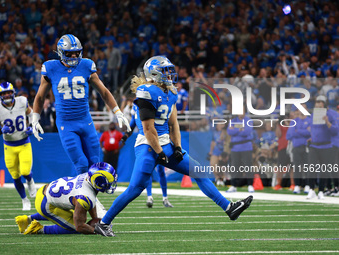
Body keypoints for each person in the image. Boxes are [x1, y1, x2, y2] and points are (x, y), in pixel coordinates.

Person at [94, 56, 253, 237]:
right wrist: (160, 153)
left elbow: (174, 123)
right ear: (154, 74)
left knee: (198, 171)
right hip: (147, 145)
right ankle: (104, 223)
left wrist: (177, 147)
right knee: (135, 189)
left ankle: (229, 208)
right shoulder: (145, 91)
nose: (170, 74)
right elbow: (148, 129)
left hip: (165, 143)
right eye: (165, 71)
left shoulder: (171, 92)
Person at [31, 34, 131, 175]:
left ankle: (91, 196)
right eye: (69, 53)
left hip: (85, 121)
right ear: (61, 53)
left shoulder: (86, 65)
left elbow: (104, 92)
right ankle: (84, 196)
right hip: (66, 123)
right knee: (82, 164)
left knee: (95, 163)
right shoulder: (51, 68)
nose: (73, 56)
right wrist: (35, 118)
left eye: (76, 52)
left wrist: (118, 112)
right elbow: (40, 97)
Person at [15, 162, 117, 235]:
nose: (111, 184)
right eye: (109, 181)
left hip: (45, 190)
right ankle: (38, 229)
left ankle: (27, 219)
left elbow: (92, 200)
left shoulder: (87, 176)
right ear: (98, 182)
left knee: (69, 215)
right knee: (73, 227)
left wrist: (95, 219)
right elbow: (79, 226)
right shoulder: (85, 197)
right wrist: (95, 230)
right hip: (45, 204)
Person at [121, 104, 173, 208]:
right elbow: (132, 124)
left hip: (158, 140)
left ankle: (165, 198)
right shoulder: (136, 106)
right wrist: (126, 135)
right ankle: (149, 197)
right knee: (147, 171)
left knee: (161, 171)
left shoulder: (150, 102)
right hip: (145, 143)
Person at [0, 82, 36, 211]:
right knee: (15, 175)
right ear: (0, 95)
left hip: (24, 142)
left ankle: (30, 181)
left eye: (9, 92)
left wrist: (32, 126)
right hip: (9, 146)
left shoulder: (22, 101)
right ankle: (24, 200)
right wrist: (0, 129)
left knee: (25, 171)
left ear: (13, 92)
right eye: (4, 93)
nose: (7, 95)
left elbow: (31, 113)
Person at [307, 95, 339, 199]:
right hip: (314, 145)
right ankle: (311, 189)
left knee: (324, 169)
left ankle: (321, 190)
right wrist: (312, 136)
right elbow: (312, 128)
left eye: (320, 107)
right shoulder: (312, 115)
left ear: (325, 107)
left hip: (326, 146)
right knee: (311, 168)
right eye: (317, 107)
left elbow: (335, 131)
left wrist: (327, 122)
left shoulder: (331, 115)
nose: (318, 109)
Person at [226, 109, 254, 193]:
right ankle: (233, 185)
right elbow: (229, 131)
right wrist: (239, 129)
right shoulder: (233, 120)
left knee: (248, 166)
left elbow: (247, 131)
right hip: (235, 147)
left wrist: (235, 129)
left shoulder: (248, 120)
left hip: (246, 147)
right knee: (234, 167)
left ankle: (250, 185)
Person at [286, 105, 311, 194]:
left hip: (307, 147)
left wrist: (298, 131)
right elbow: (289, 135)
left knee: (307, 167)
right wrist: (304, 132)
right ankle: (297, 185)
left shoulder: (309, 120)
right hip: (296, 147)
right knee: (296, 167)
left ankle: (308, 185)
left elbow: (310, 133)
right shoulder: (294, 121)